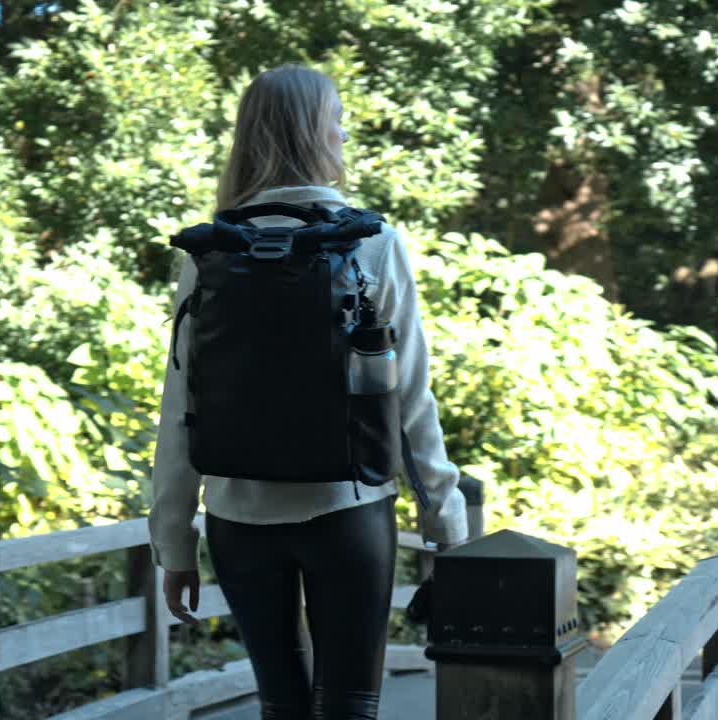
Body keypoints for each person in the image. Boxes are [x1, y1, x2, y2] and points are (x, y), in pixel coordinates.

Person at [147, 63, 469, 720]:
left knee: (280, 705)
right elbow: (408, 397)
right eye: (337, 120)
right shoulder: (371, 240)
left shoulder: (210, 249)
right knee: (349, 705)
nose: (344, 134)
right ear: (315, 133)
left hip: (237, 516)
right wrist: (446, 522)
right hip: (348, 509)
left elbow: (182, 405)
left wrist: (174, 541)